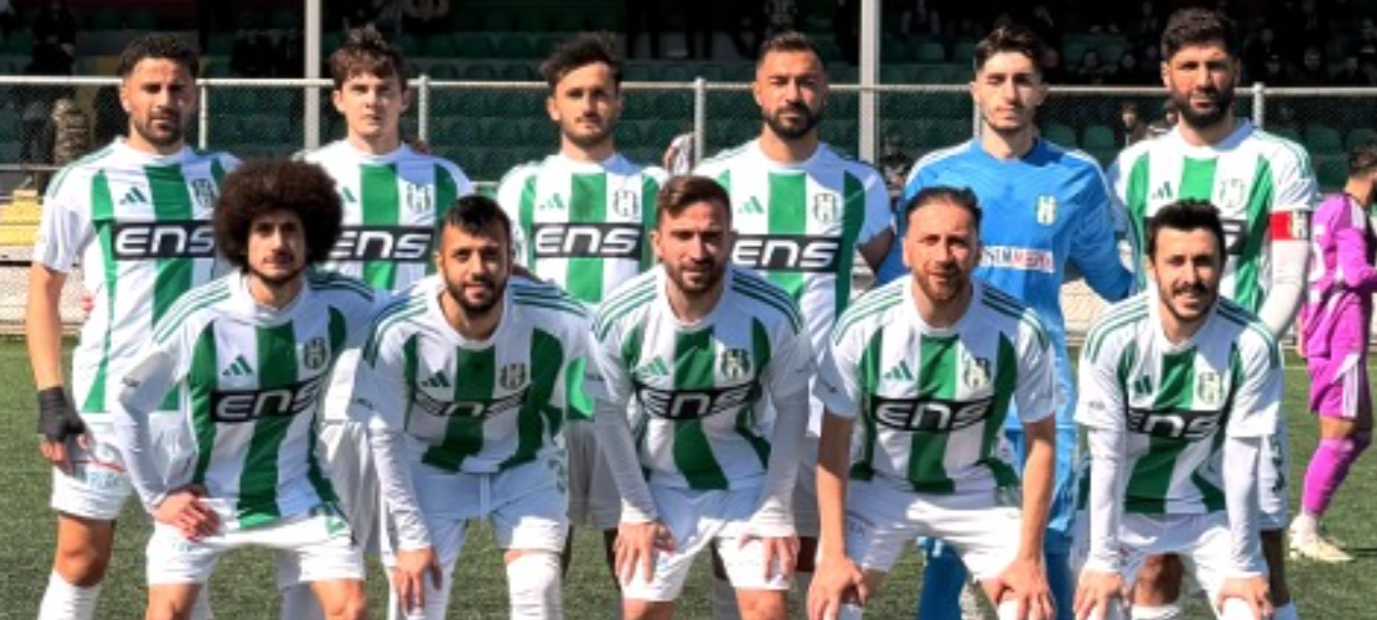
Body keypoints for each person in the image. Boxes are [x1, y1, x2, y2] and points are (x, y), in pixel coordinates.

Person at [875, 25, 1134, 620]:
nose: (1009, 93)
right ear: (975, 89)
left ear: (1043, 90)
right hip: (952, 386)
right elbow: (896, 282)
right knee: (947, 550)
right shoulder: (936, 173)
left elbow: (1110, 277)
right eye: (996, 80)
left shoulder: (1077, 175)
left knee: (1051, 543)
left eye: (1022, 80)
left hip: (1044, 389)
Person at [1106, 9, 1316, 620]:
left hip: (1243, 386)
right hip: (1156, 389)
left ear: (1236, 71)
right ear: (1166, 75)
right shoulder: (1134, 166)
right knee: (1154, 559)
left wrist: (1239, 361)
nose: (1204, 79)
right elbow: (1117, 274)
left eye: (1216, 65)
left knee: (1263, 556)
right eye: (1190, 66)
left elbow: (1289, 277)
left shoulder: (1280, 160)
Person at [26, 34, 238, 620]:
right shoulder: (82, 180)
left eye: (178, 88)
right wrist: (50, 396)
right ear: (124, 96)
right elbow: (43, 291)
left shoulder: (227, 176)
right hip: (103, 405)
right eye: (151, 87)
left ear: (195, 96)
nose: (165, 100)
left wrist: (403, 150)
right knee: (80, 560)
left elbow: (294, 229)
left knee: (184, 573)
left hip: (198, 408)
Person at [110, 159, 375, 620]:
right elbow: (128, 405)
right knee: (166, 614)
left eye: (290, 230)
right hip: (205, 496)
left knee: (349, 609)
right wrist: (157, 497)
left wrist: (502, 288)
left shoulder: (341, 301)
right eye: (264, 230)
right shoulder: (199, 315)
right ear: (240, 239)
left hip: (300, 493)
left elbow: (421, 307)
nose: (278, 244)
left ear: (311, 237)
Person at [692, 30, 893, 617]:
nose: (792, 93)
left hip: (823, 402)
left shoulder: (858, 183)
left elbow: (893, 279)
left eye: (806, 81)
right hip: (735, 400)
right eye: (779, 81)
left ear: (825, 91)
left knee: (824, 550)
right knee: (738, 555)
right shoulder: (719, 179)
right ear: (757, 91)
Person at [280, 24, 473, 620]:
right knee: (317, 574)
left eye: (384, 88)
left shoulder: (445, 179)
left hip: (421, 403)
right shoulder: (306, 177)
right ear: (337, 98)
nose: (373, 100)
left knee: (416, 572)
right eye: (359, 88)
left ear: (405, 97)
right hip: (328, 400)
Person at [808, 186, 1057, 620]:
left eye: (958, 241)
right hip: (880, 485)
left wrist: (1030, 558)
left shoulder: (1018, 328)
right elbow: (833, 447)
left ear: (978, 252)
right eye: (929, 240)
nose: (943, 255)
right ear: (905, 251)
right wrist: (832, 554)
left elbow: (1042, 444)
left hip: (978, 487)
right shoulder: (862, 326)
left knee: (1031, 611)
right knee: (832, 608)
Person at [590, 175, 813, 620]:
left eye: (711, 236)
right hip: (660, 481)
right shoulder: (620, 314)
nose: (698, 251)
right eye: (683, 235)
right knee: (641, 613)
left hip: (747, 480)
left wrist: (775, 507)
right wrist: (636, 509)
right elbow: (609, 414)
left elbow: (793, 407)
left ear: (731, 239)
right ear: (657, 242)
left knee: (767, 611)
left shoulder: (772, 310)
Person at [494, 31, 667, 601]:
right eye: (575, 94)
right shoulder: (522, 186)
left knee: (637, 553)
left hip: (630, 397)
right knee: (545, 552)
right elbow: (500, 276)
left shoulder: (653, 187)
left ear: (619, 102)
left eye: (600, 93)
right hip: (547, 396)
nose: (588, 105)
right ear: (553, 106)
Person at [359, 195, 589, 618]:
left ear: (511, 260)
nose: (478, 268)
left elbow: (621, 344)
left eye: (490, 254)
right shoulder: (398, 327)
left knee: (537, 588)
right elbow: (384, 435)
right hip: (430, 465)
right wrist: (411, 538)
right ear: (439, 262)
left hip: (525, 463)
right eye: (462, 255)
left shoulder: (555, 316)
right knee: (417, 600)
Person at [1072, 199, 1279, 620]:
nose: (1190, 277)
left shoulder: (1251, 342)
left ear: (1222, 265)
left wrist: (1244, 565)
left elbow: (1243, 462)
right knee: (1094, 609)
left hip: (1207, 509)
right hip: (1121, 507)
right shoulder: (1113, 337)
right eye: (1176, 262)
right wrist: (1102, 559)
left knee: (1250, 611)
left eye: (1203, 262)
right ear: (1151, 267)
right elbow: (1106, 455)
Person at [1290, 142, 1377, 563]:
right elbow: (1356, 274)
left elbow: (1313, 269)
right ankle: (1305, 530)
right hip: (1341, 334)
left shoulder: (1327, 207)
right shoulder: (1353, 213)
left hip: (1328, 329)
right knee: (1340, 434)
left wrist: (1302, 321)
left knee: (1359, 432)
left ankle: (1309, 522)